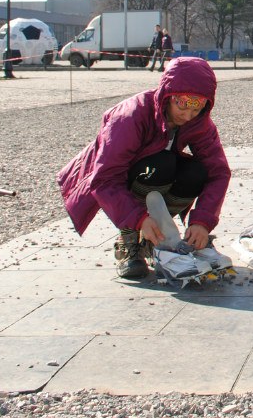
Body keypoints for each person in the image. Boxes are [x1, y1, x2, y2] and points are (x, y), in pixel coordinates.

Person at [56, 56, 230, 279]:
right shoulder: (130, 115)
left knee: (196, 172)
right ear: (168, 94)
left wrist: (203, 222)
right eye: (183, 105)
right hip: (121, 176)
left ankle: (159, 237)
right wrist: (137, 219)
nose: (187, 116)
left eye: (196, 108)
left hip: (152, 174)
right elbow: (105, 177)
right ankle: (130, 238)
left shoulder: (200, 123)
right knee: (161, 164)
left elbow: (218, 172)